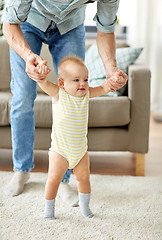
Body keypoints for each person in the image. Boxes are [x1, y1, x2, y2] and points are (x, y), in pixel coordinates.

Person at [2, 0, 127, 204]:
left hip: (69, 25)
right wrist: (28, 56)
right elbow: (10, 22)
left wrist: (112, 70)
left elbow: (106, 29)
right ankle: (21, 170)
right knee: (23, 96)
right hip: (27, 21)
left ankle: (63, 179)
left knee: (75, 98)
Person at [37, 55, 124, 219]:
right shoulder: (59, 93)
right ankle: (48, 211)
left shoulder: (86, 94)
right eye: (76, 80)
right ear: (62, 83)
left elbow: (104, 88)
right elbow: (44, 84)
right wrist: (41, 76)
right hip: (60, 151)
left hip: (81, 151)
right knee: (54, 179)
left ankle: (85, 208)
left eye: (85, 79)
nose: (83, 83)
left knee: (84, 179)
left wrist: (113, 80)